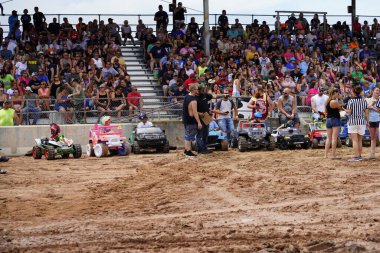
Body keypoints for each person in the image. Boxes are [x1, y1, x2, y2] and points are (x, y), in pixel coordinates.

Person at [345, 85, 369, 162]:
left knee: (354, 140)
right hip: (361, 121)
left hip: (353, 121)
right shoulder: (364, 101)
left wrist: (344, 109)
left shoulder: (351, 101)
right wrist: (368, 121)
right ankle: (360, 156)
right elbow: (366, 112)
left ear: (354, 92)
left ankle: (356, 157)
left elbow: (349, 112)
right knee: (359, 140)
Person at [182, 83, 202, 157]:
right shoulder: (193, 100)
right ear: (193, 90)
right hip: (190, 120)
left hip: (186, 118)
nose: (198, 90)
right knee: (189, 136)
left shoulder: (187, 96)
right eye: (197, 89)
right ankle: (188, 151)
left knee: (187, 135)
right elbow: (194, 112)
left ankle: (186, 150)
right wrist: (199, 122)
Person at [324, 88, 342, 159]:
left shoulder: (327, 101)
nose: (338, 94)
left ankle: (325, 155)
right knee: (334, 138)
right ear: (334, 93)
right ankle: (333, 155)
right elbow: (340, 108)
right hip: (335, 119)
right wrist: (341, 99)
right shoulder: (334, 101)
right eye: (337, 93)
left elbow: (325, 112)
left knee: (328, 138)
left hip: (328, 119)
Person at [196, 84, 213, 154]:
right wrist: (198, 113)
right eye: (202, 89)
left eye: (204, 89)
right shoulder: (195, 98)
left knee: (206, 133)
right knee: (200, 133)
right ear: (199, 90)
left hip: (206, 115)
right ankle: (199, 148)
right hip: (199, 116)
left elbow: (211, 96)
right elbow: (193, 110)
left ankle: (204, 147)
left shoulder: (205, 95)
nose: (203, 90)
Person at [367, 87, 380, 160]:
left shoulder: (379, 100)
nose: (377, 91)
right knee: (372, 137)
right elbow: (367, 110)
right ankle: (372, 153)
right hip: (371, 119)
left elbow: (377, 110)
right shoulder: (369, 99)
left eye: (378, 90)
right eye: (376, 90)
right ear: (373, 91)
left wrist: (372, 107)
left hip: (378, 119)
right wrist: (368, 120)